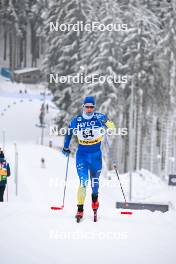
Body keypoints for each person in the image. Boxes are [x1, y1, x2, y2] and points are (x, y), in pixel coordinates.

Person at [62, 96, 115, 220]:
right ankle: (80, 210)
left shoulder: (99, 117)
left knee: (95, 184)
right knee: (83, 182)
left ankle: (95, 203)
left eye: (92, 107)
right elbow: (69, 132)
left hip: (96, 155)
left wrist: (107, 121)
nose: (90, 109)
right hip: (82, 155)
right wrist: (65, 147)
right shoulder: (77, 120)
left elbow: (112, 127)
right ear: (83, 107)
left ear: (94, 107)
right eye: (87, 107)